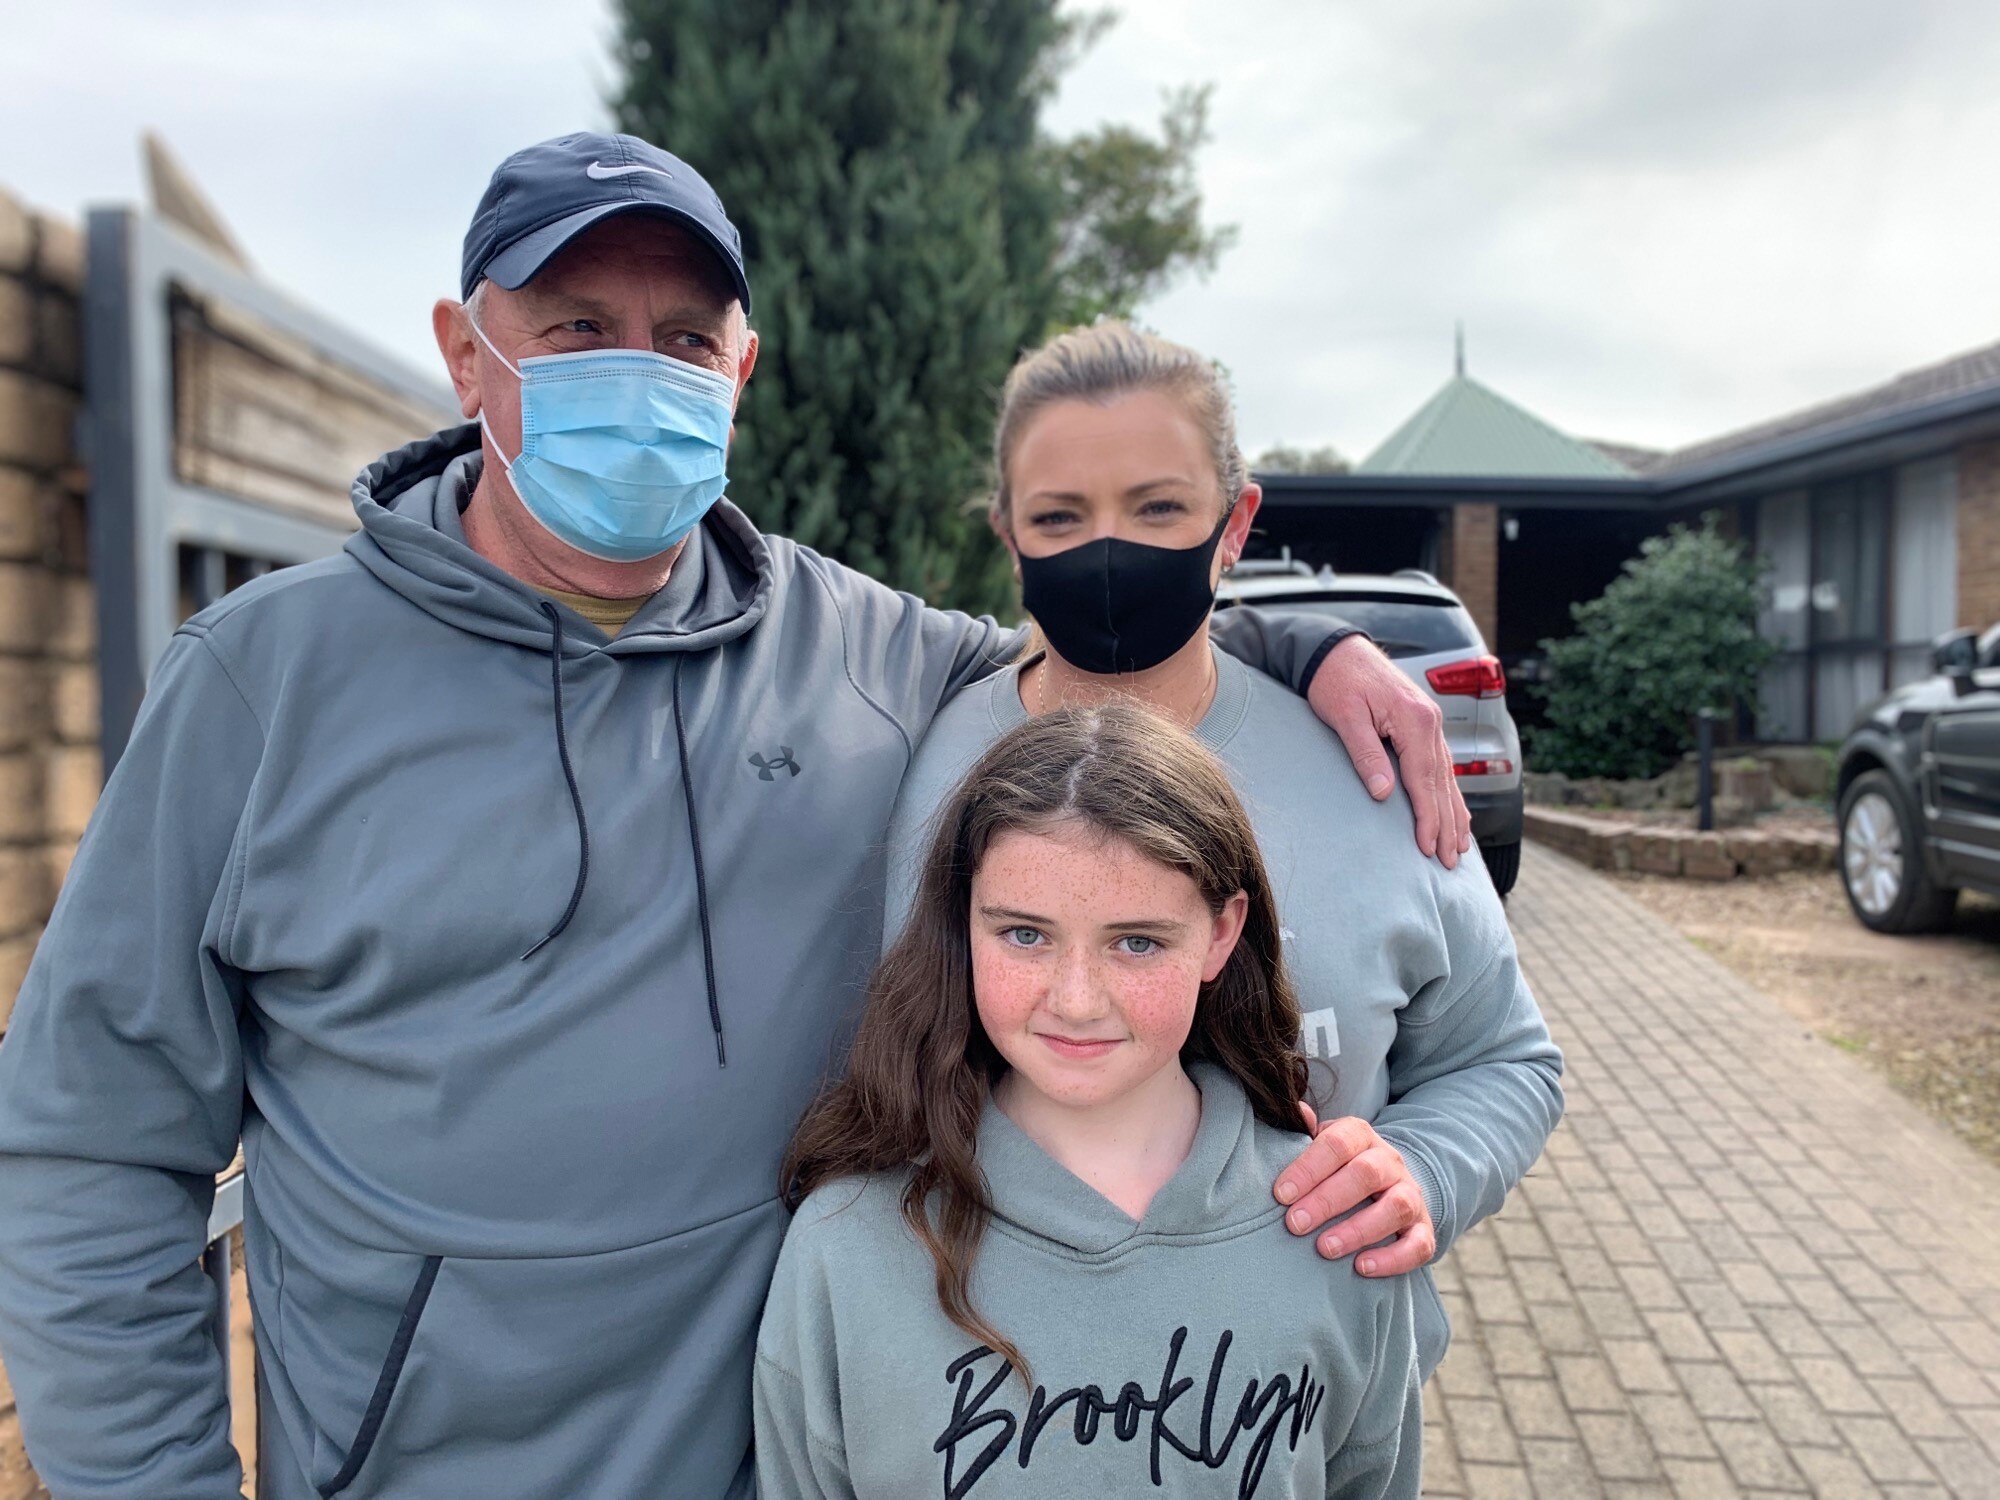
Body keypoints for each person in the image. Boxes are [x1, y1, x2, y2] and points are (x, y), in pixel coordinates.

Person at [0, 134, 1471, 1498]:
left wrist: (1302, 646)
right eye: (576, 328)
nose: (635, 374)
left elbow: (1090, 655)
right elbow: (89, 1143)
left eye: (685, 340)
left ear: (741, 368)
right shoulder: (261, 683)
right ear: (465, 353)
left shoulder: (864, 654)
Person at [885, 322, 1564, 1376]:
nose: (1109, 550)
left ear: (1234, 522)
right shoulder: (917, 761)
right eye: (1059, 516)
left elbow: (1502, 1059)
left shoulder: (1370, 766)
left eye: (1158, 507)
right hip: (970, 1392)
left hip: (1294, 1408)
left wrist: (1422, 1171)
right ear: (1007, 537)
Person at [758, 704, 1423, 1498]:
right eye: (1025, 935)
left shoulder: (1339, 1231)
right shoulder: (846, 1243)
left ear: (1221, 934)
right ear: (963, 920)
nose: (1076, 1001)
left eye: (1136, 942)